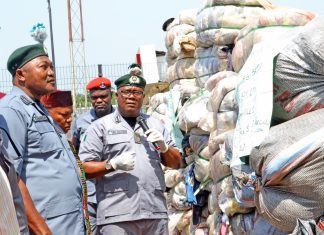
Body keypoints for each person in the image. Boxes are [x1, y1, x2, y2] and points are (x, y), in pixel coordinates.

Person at [79, 73, 181, 235]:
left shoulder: (155, 124)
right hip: (117, 214)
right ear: (117, 95)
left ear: (143, 96)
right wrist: (111, 165)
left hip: (154, 211)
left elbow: (176, 163)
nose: (131, 97)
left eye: (137, 92)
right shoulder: (100, 127)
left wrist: (165, 149)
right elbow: (83, 169)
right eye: (126, 92)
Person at [0, 43, 85, 234]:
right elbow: (11, 177)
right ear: (21, 75)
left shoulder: (38, 109)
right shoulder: (12, 110)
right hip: (47, 225)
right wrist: (42, 230)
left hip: (68, 221)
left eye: (52, 67)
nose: (51, 72)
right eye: (43, 67)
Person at [40, 90, 92, 235]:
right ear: (47, 115)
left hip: (73, 218)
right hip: (51, 219)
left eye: (70, 114)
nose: (69, 120)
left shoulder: (66, 141)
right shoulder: (38, 143)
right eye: (63, 115)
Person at [72, 76, 113, 234]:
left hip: (115, 186)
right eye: (95, 97)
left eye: (103, 96)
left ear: (111, 96)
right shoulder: (82, 121)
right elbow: (74, 149)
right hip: (90, 189)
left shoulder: (121, 119)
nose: (99, 101)